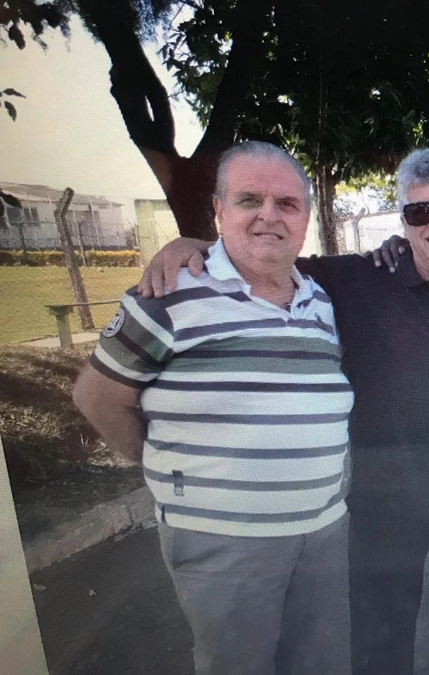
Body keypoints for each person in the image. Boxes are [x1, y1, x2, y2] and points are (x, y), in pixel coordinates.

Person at [137, 145, 429, 675]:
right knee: (380, 647)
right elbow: (264, 255)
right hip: (379, 510)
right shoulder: (356, 280)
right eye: (417, 211)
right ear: (403, 220)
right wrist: (188, 244)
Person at [73, 141, 354, 675]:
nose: (269, 215)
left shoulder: (319, 300)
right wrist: (163, 465)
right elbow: (95, 397)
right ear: (220, 210)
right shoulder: (169, 293)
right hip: (225, 543)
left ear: (305, 218)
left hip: (321, 533)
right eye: (250, 199)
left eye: (287, 204)